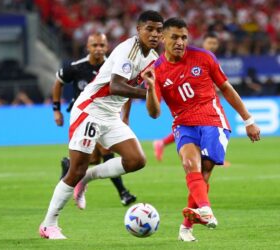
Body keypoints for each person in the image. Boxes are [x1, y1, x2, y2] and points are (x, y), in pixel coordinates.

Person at [39, 10, 164, 240]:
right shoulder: (130, 49)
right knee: (75, 169)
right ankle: (48, 224)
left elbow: (145, 100)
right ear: (139, 29)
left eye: (159, 30)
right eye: (150, 29)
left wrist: (151, 98)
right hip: (90, 110)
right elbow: (116, 86)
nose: (155, 34)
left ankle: (87, 178)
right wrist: (147, 92)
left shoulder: (153, 59)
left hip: (111, 114)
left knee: (136, 160)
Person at [142, 18, 260, 242]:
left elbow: (226, 87)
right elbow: (154, 112)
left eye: (184, 37)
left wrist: (248, 120)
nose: (180, 42)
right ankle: (206, 211)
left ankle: (186, 227)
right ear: (163, 38)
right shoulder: (156, 70)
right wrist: (149, 89)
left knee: (205, 169)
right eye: (175, 37)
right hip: (183, 123)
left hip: (212, 118)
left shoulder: (203, 57)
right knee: (190, 165)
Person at [52, 32, 136, 206]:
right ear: (87, 47)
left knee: (94, 160)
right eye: (94, 45)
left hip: (106, 116)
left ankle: (69, 165)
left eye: (102, 46)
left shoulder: (114, 67)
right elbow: (58, 82)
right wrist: (56, 110)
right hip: (84, 117)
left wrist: (125, 116)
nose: (98, 49)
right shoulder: (76, 67)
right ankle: (123, 193)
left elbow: (127, 91)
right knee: (106, 152)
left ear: (107, 48)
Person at [152, 32, 220, 162]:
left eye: (215, 43)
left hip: (205, 102)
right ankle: (207, 156)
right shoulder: (193, 57)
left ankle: (163, 143)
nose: (212, 46)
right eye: (210, 43)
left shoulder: (209, 58)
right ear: (203, 42)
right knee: (194, 127)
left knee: (201, 129)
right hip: (190, 103)